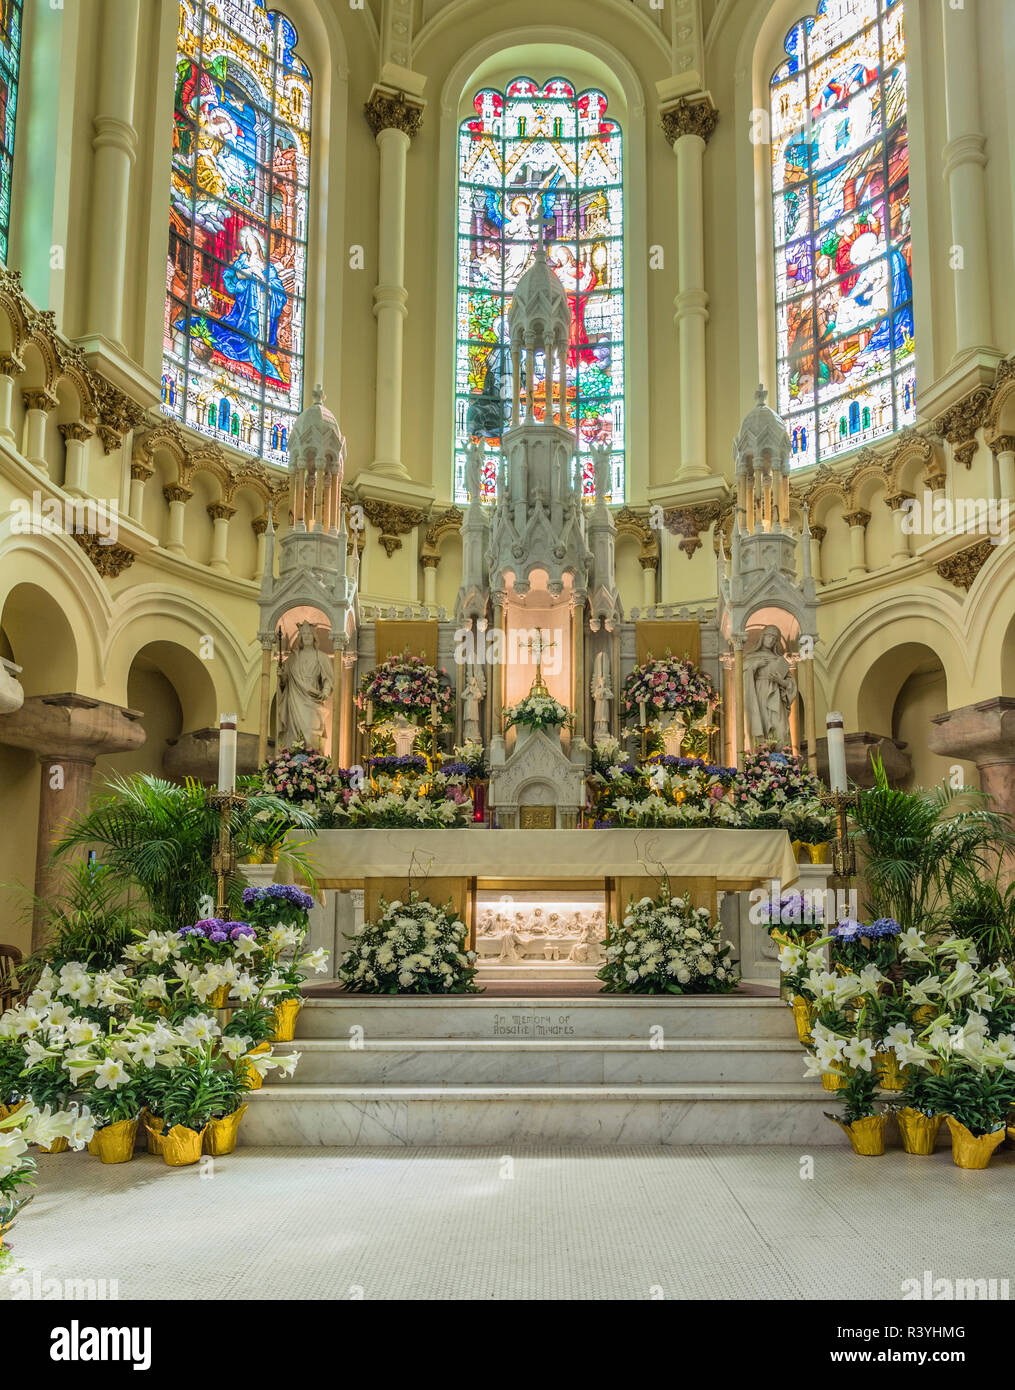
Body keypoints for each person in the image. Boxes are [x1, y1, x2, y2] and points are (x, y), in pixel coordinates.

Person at [277, 621, 334, 750]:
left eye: (309, 633)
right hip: (294, 697)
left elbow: (328, 679)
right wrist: (281, 676)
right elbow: (285, 681)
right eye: (304, 634)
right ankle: (291, 757)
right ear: (300, 637)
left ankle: (312, 758)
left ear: (314, 636)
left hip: (312, 697)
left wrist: (325, 691)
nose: (306, 636)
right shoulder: (293, 658)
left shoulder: (321, 657)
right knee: (294, 732)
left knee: (310, 730)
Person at [744, 625, 796, 747]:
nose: (771, 640)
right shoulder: (751, 657)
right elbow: (742, 679)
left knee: (781, 729)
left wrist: (780, 681)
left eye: (774, 638)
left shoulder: (779, 660)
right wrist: (755, 666)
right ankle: (761, 756)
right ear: (762, 637)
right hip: (759, 694)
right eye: (769, 636)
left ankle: (782, 757)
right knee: (762, 726)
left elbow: (791, 683)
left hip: (776, 695)